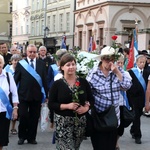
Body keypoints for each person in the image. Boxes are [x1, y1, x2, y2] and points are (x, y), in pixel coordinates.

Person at [86, 46, 132, 150]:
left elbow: (126, 86)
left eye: (112, 59)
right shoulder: (93, 73)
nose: (109, 62)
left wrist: (117, 72)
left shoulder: (118, 71)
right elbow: (87, 93)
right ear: (101, 59)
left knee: (111, 147)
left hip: (113, 117)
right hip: (98, 118)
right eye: (107, 59)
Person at [48, 53, 94, 150]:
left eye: (73, 64)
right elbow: (51, 104)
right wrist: (67, 106)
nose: (71, 67)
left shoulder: (83, 82)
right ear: (62, 67)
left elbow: (91, 99)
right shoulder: (57, 84)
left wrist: (86, 108)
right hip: (63, 123)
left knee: (75, 147)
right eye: (68, 65)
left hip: (80, 123)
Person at [14, 44, 48, 145]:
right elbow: (16, 79)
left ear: (36, 52)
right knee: (23, 116)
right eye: (30, 52)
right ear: (26, 52)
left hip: (36, 95)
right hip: (23, 95)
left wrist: (46, 95)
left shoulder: (41, 64)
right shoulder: (21, 64)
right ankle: (22, 136)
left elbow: (44, 80)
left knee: (34, 117)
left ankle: (31, 137)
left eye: (34, 52)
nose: (32, 54)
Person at [126, 55, 149, 144]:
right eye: (140, 62)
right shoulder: (131, 72)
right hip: (133, 98)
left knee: (138, 115)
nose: (142, 64)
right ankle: (137, 136)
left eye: (144, 62)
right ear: (137, 62)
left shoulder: (147, 72)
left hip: (142, 98)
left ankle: (133, 129)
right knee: (136, 117)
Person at [0, 55, 19, 150]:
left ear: (3, 64)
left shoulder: (8, 76)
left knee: (1, 139)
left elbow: (15, 93)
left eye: (0, 63)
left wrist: (15, 109)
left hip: (4, 112)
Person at [115, 53, 132, 150]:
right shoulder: (110, 74)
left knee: (120, 127)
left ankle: (116, 141)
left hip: (121, 103)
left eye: (121, 62)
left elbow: (125, 87)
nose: (120, 64)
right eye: (118, 62)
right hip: (112, 104)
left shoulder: (126, 74)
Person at [47, 49, 67, 128]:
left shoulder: (68, 65)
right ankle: (52, 120)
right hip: (54, 88)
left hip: (65, 87)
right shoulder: (53, 66)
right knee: (54, 105)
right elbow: (49, 78)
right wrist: (49, 88)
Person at [4, 54, 22, 135]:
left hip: (18, 93)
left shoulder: (21, 69)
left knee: (15, 109)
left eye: (18, 60)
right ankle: (6, 127)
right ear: (11, 61)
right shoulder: (7, 69)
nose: (16, 62)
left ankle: (13, 127)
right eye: (15, 60)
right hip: (7, 94)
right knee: (8, 109)